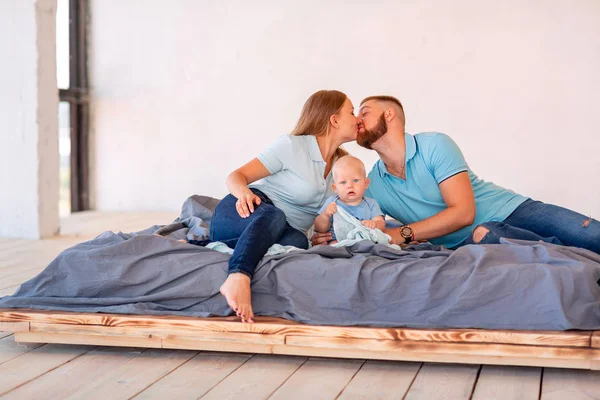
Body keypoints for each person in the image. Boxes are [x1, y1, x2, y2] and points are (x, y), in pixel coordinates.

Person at [312, 95, 600, 255]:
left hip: (513, 210)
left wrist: (401, 233)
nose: (357, 121)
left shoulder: (434, 144)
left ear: (389, 116)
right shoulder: (373, 183)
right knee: (487, 235)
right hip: (474, 240)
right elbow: (352, 215)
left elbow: (463, 213)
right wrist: (329, 234)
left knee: (590, 234)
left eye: (364, 112)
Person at [209, 90, 358, 323]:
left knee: (298, 242)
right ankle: (238, 276)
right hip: (244, 211)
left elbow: (344, 208)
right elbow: (235, 176)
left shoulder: (342, 166)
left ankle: (204, 245)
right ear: (334, 119)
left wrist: (318, 232)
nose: (357, 118)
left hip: (280, 229)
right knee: (274, 215)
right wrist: (244, 194)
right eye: (352, 112)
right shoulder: (291, 146)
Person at [314, 155, 385, 244]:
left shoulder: (371, 204)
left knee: (377, 243)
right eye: (343, 182)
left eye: (355, 180)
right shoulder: (332, 203)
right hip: (339, 240)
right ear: (335, 188)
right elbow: (319, 228)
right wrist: (325, 215)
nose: (349, 186)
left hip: (364, 239)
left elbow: (380, 222)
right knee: (333, 246)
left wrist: (375, 224)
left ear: (366, 183)